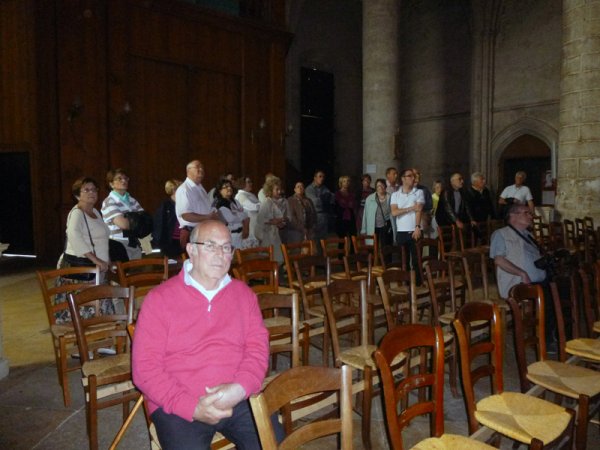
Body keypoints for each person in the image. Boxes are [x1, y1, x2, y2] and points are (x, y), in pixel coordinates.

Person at [132, 220, 269, 449]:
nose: (220, 254)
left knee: (274, 443)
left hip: (237, 396)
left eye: (226, 247)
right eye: (210, 245)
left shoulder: (243, 294)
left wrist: (240, 388)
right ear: (191, 251)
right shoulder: (159, 299)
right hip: (178, 403)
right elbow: (145, 369)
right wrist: (191, 407)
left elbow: (258, 349)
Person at [489, 203, 555, 348]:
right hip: (518, 284)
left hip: (537, 281)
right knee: (549, 297)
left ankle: (555, 334)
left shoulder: (528, 235)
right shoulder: (500, 234)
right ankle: (545, 340)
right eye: (527, 213)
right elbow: (499, 260)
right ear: (513, 216)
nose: (531, 216)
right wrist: (522, 273)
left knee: (560, 289)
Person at [57, 177, 113, 322]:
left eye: (94, 189)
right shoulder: (77, 213)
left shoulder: (95, 211)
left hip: (98, 269)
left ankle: (100, 338)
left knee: (100, 308)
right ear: (77, 194)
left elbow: (102, 239)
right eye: (86, 190)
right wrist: (96, 260)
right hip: (83, 270)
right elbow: (75, 238)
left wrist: (107, 260)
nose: (91, 193)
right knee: (85, 312)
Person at [102, 168, 145, 260]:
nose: (124, 181)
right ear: (111, 184)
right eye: (119, 178)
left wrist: (130, 219)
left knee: (137, 273)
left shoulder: (132, 200)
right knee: (123, 273)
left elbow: (146, 222)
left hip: (135, 242)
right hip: (118, 244)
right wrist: (136, 221)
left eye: (126, 178)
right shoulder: (109, 201)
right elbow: (123, 224)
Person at [176, 160, 220, 250]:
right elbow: (186, 215)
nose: (201, 170)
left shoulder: (200, 188)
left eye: (202, 168)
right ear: (188, 171)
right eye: (197, 167)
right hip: (192, 232)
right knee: (195, 262)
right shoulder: (184, 189)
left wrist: (213, 213)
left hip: (204, 230)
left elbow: (206, 209)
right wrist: (208, 217)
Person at [390, 169, 423, 283]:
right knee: (403, 260)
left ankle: (418, 284)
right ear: (403, 178)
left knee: (416, 260)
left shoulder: (418, 192)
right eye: (410, 176)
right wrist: (410, 208)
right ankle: (406, 283)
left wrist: (417, 226)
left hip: (414, 230)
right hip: (401, 231)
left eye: (413, 176)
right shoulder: (395, 195)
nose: (413, 178)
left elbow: (418, 210)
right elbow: (394, 212)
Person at [212, 178, 252, 250]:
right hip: (230, 236)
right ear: (220, 190)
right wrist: (241, 216)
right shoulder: (219, 204)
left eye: (230, 186)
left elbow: (246, 215)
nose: (229, 188)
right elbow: (231, 218)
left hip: (241, 234)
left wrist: (241, 218)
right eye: (226, 187)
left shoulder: (235, 201)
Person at [255, 176, 287, 263]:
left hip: (274, 236)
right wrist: (276, 221)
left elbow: (280, 219)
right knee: (271, 261)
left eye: (279, 189)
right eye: (277, 189)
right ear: (270, 190)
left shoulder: (273, 202)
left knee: (278, 260)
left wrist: (280, 222)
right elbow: (260, 221)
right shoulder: (266, 203)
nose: (279, 192)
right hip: (267, 237)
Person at [153, 179, 183, 258]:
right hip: (170, 243)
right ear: (173, 190)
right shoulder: (166, 206)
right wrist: (159, 244)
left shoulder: (185, 205)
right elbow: (159, 226)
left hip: (182, 240)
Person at [361, 178, 394, 250]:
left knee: (386, 247)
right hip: (372, 226)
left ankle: (386, 261)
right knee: (372, 246)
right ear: (376, 187)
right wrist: (363, 229)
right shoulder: (370, 198)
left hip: (386, 225)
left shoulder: (391, 197)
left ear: (385, 186)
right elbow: (365, 215)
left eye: (382, 185)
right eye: (378, 186)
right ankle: (373, 260)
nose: (380, 187)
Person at [305, 170, 334, 246]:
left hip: (324, 216)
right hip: (314, 216)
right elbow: (315, 202)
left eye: (323, 177)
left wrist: (323, 199)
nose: (322, 178)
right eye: (320, 176)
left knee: (323, 241)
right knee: (314, 240)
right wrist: (324, 199)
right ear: (315, 178)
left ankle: (323, 257)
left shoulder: (324, 188)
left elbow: (332, 198)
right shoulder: (309, 189)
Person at [234, 176, 261, 241]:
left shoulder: (251, 195)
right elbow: (252, 207)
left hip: (256, 223)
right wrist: (264, 205)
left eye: (251, 182)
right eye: (248, 182)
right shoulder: (240, 195)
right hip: (249, 224)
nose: (251, 184)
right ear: (242, 184)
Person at [334, 175, 357, 242]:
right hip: (341, 218)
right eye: (344, 181)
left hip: (351, 217)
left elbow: (353, 205)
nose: (346, 183)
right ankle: (341, 252)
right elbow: (336, 207)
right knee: (342, 239)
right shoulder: (337, 194)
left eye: (348, 181)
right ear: (341, 183)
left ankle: (353, 252)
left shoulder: (351, 194)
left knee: (353, 237)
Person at [412, 168, 433, 236]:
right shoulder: (403, 190)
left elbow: (430, 205)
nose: (417, 179)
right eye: (414, 176)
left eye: (418, 176)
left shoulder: (424, 190)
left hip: (422, 220)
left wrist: (420, 206)